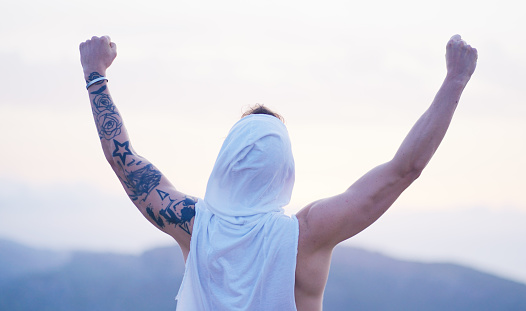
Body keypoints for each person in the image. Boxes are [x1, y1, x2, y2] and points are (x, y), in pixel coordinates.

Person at [79, 34, 477, 311]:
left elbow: (123, 159)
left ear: (225, 160)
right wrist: (455, 81)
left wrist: (95, 73)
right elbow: (402, 171)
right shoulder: (307, 234)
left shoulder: (192, 224)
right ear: (284, 169)